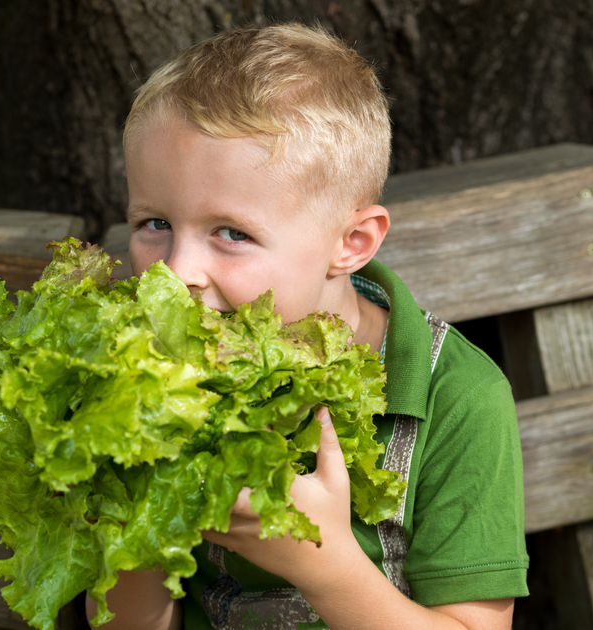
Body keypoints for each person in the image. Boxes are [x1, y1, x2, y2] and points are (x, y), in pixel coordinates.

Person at [86, 22, 528, 630]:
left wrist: (325, 565)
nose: (177, 271)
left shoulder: (456, 397)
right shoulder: (140, 372)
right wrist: (135, 500)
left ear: (351, 243)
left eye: (232, 233)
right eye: (154, 224)